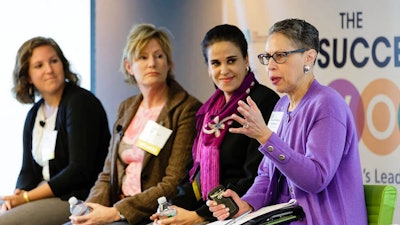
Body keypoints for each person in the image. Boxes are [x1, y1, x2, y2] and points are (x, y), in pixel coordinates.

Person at [207, 18, 368, 225]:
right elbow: (266, 174)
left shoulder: (327, 104)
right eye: (268, 57)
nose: (271, 66)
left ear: (309, 57)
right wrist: (246, 205)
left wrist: (265, 137)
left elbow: (316, 178)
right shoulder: (281, 106)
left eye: (281, 56)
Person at [67, 23, 202, 225]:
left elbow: (172, 183)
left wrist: (116, 212)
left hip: (151, 213)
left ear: (169, 64)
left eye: (159, 56)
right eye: (143, 57)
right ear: (129, 66)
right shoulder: (126, 108)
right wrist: (90, 210)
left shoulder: (186, 108)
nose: (152, 63)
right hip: (114, 207)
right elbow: (107, 175)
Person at [150, 24, 279, 225]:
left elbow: (255, 178)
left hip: (241, 214)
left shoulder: (263, 102)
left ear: (246, 59)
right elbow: (195, 176)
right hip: (208, 212)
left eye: (231, 60)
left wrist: (197, 217)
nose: (224, 70)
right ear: (208, 68)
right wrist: (174, 209)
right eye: (216, 63)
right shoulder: (209, 112)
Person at [0, 37, 111, 225]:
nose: (49, 70)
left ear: (63, 64)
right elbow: (28, 171)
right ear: (27, 77)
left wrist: (27, 198)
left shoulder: (79, 103)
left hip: (76, 198)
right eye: (39, 65)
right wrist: (17, 195)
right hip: (46, 196)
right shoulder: (34, 114)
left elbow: (78, 171)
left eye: (54, 61)